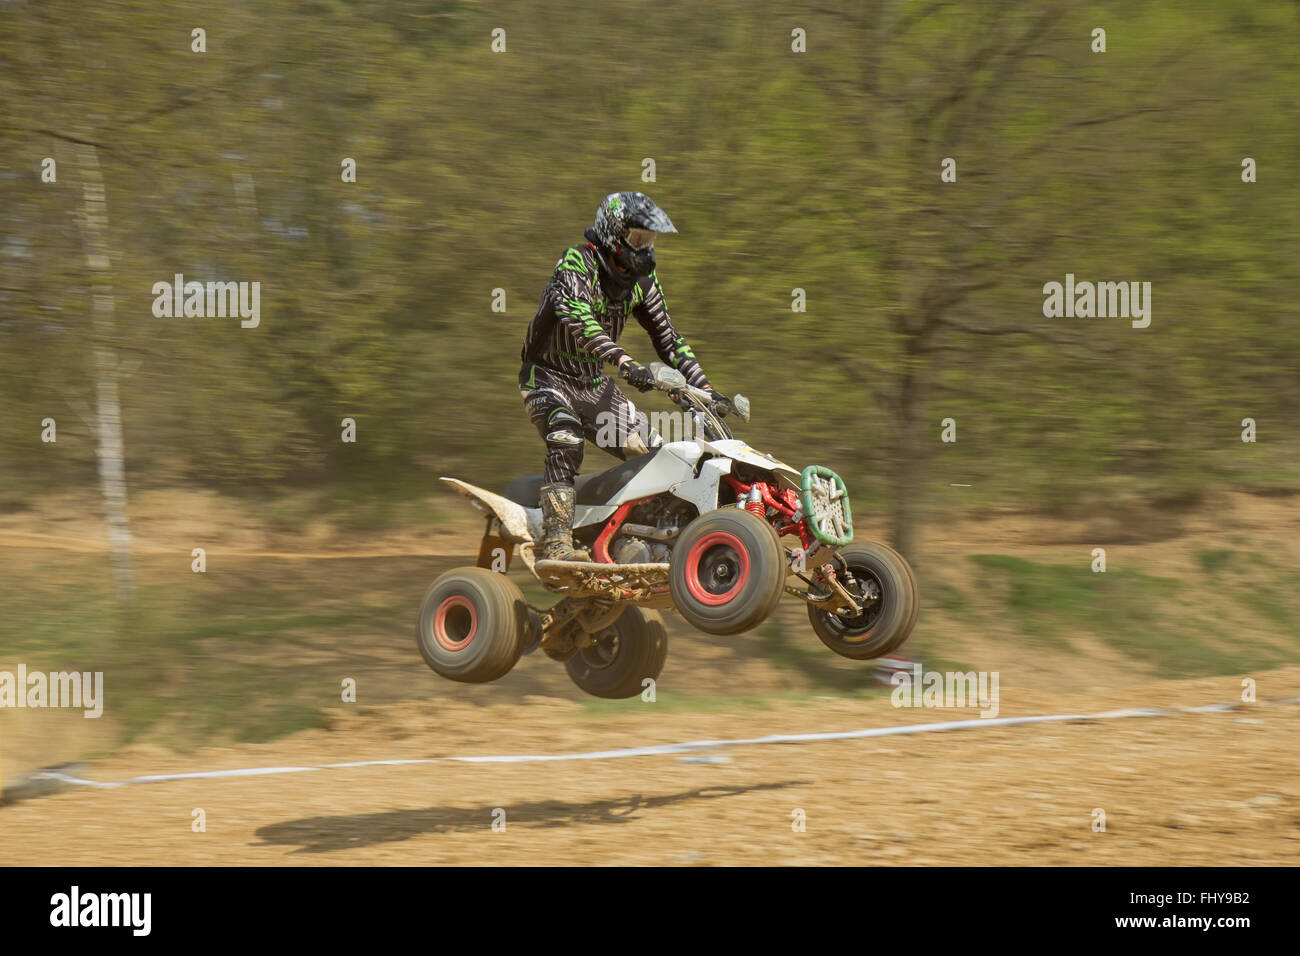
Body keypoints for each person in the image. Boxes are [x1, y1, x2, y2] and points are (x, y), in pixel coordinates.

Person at [519, 191, 731, 562]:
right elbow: (580, 322)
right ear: (612, 234)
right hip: (547, 378)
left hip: (594, 385)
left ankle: (648, 544)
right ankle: (556, 543)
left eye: (649, 240)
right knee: (566, 437)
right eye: (637, 239)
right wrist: (626, 361)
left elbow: (669, 338)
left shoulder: (641, 283)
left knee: (659, 459)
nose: (645, 248)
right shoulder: (576, 263)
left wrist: (706, 390)